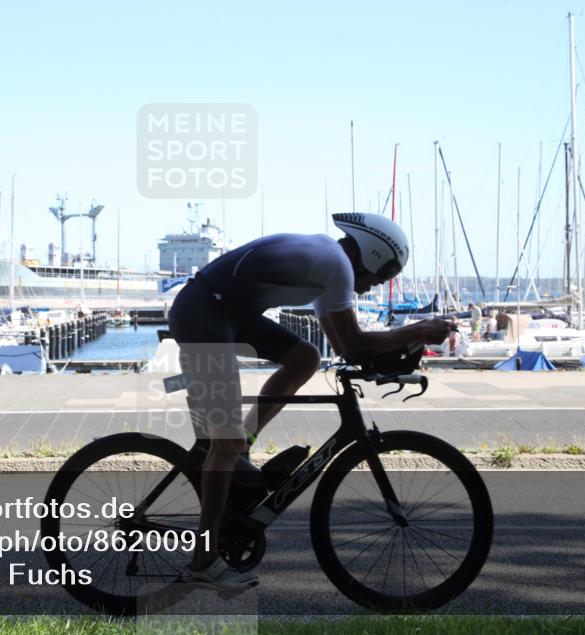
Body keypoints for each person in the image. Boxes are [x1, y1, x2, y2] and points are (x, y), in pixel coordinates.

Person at [167, 212, 453, 588]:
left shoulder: (327, 271)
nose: (370, 289)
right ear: (369, 255)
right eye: (378, 278)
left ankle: (243, 445)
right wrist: (417, 329)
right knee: (223, 442)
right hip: (204, 314)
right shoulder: (335, 266)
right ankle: (203, 564)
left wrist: (402, 349)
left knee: (305, 359)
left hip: (227, 313)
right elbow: (354, 344)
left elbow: (344, 349)